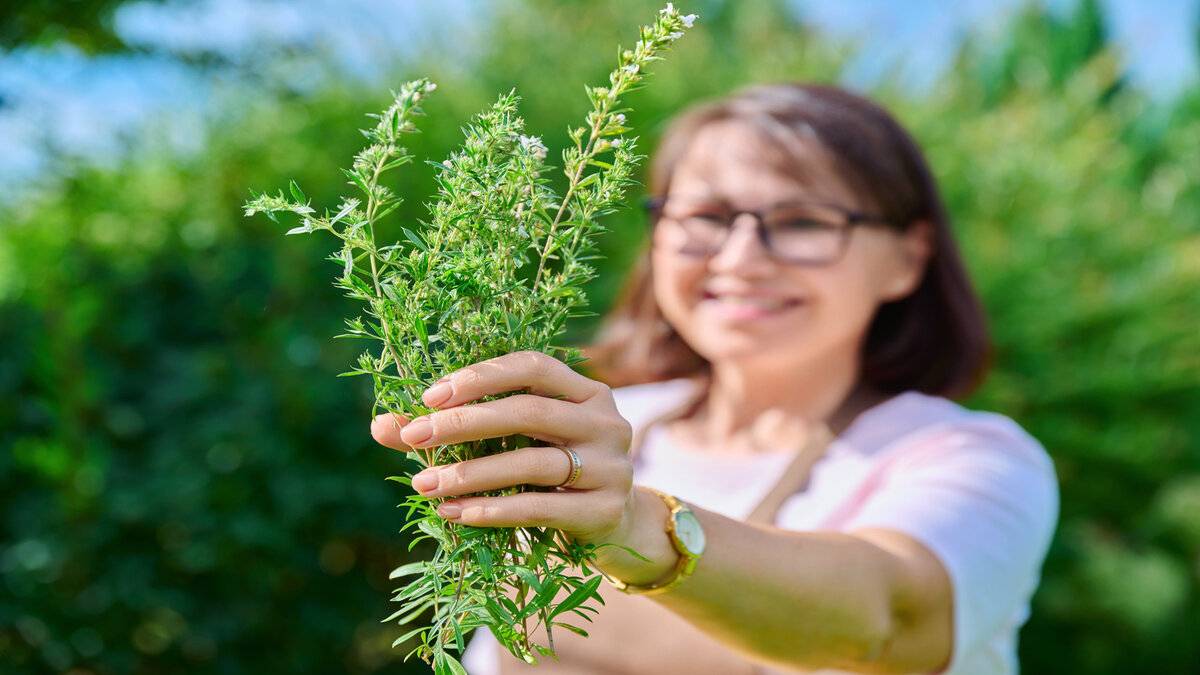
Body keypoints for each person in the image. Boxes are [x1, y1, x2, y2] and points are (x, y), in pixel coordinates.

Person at [371, 82, 1059, 674]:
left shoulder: (973, 459)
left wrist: (636, 525)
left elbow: (890, 614)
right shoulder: (604, 425)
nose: (741, 257)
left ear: (908, 258)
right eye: (705, 216)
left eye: (803, 221)